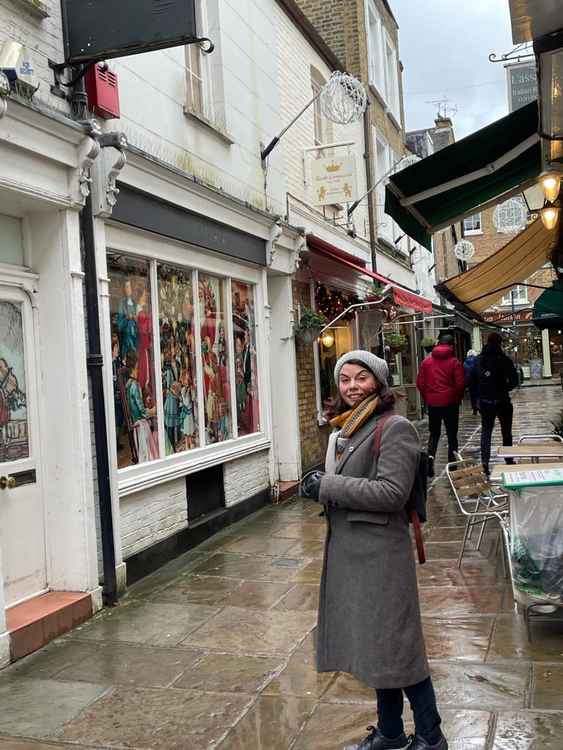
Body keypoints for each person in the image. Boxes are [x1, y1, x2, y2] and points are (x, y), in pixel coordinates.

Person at [301, 350, 447, 750]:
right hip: (354, 553)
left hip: (382, 555)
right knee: (378, 648)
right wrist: (320, 479)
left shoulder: (394, 426)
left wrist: (326, 487)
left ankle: (431, 737)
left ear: (379, 383)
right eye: (345, 379)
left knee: (398, 648)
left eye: (361, 378)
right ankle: (391, 733)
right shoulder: (347, 428)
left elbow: (392, 492)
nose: (351, 387)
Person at [416, 334, 464, 477]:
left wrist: (428, 397)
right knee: (451, 434)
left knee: (434, 433)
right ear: (451, 346)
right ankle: (453, 464)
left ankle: (430, 459)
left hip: (433, 404)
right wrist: (456, 397)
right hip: (450, 404)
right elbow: (460, 384)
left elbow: (420, 384)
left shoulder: (427, 362)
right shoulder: (454, 362)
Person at [471, 332, 519, 476]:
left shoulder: (479, 360)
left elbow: (472, 381)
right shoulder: (504, 359)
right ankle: (508, 459)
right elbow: (514, 380)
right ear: (499, 343)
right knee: (506, 432)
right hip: (502, 400)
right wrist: (505, 388)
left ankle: (484, 461)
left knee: (486, 432)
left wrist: (477, 399)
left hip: (486, 401)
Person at [463, 349, 479, 415]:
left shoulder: (464, 363)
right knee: (478, 394)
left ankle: (474, 409)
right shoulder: (477, 361)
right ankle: (479, 406)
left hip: (469, 381)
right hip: (477, 381)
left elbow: (464, 373)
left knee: (472, 395)